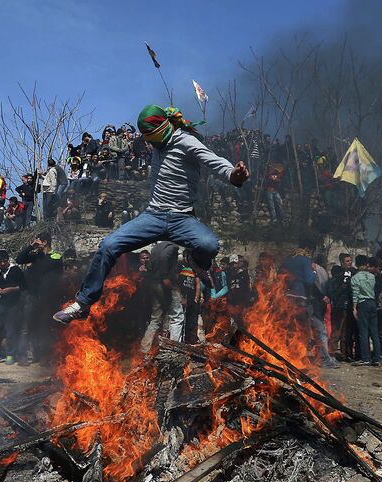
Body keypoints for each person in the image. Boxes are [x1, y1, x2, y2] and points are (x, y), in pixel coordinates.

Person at [54, 104, 249, 324]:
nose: (150, 145)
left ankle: (195, 260)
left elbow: (213, 161)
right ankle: (83, 303)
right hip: (153, 216)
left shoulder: (186, 141)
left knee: (210, 245)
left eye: (152, 138)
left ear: (163, 129)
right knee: (108, 245)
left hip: (181, 218)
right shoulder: (155, 145)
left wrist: (234, 174)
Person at [15, 231, 63, 363]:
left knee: (41, 327)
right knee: (26, 327)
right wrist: (31, 247)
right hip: (31, 296)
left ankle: (40, 356)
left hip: (46, 298)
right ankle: (22, 355)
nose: (36, 243)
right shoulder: (35, 256)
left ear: (45, 242)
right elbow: (19, 259)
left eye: (38, 241)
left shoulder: (56, 257)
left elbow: (57, 276)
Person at [0, 250, 27, 366]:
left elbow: (22, 286)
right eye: (0, 262)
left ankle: (10, 354)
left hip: (12, 304)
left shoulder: (16, 270)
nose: (2, 264)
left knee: (10, 330)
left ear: (8, 260)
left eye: (4, 261)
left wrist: (11, 289)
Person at [140, 242, 184, 352]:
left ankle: (145, 349)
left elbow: (150, 265)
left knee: (155, 318)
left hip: (154, 283)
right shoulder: (172, 246)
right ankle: (173, 350)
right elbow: (164, 257)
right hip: (163, 284)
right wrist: (165, 277)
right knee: (177, 316)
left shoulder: (156, 247)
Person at [351, 255, 380, 366]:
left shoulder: (356, 278)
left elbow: (356, 294)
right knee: (374, 332)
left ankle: (366, 358)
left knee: (363, 332)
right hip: (372, 302)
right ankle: (377, 358)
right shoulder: (372, 276)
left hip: (363, 304)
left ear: (357, 264)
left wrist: (354, 307)